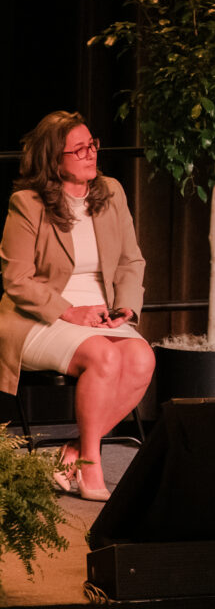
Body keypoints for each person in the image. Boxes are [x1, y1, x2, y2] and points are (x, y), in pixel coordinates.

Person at [0, 111, 155, 501]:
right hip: (38, 318)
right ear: (55, 160)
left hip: (100, 313)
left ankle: (72, 453)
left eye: (92, 144)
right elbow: (16, 280)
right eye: (79, 149)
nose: (91, 154)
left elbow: (131, 261)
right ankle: (91, 465)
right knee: (103, 355)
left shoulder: (112, 192)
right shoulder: (27, 204)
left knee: (142, 358)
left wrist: (127, 309)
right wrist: (69, 311)